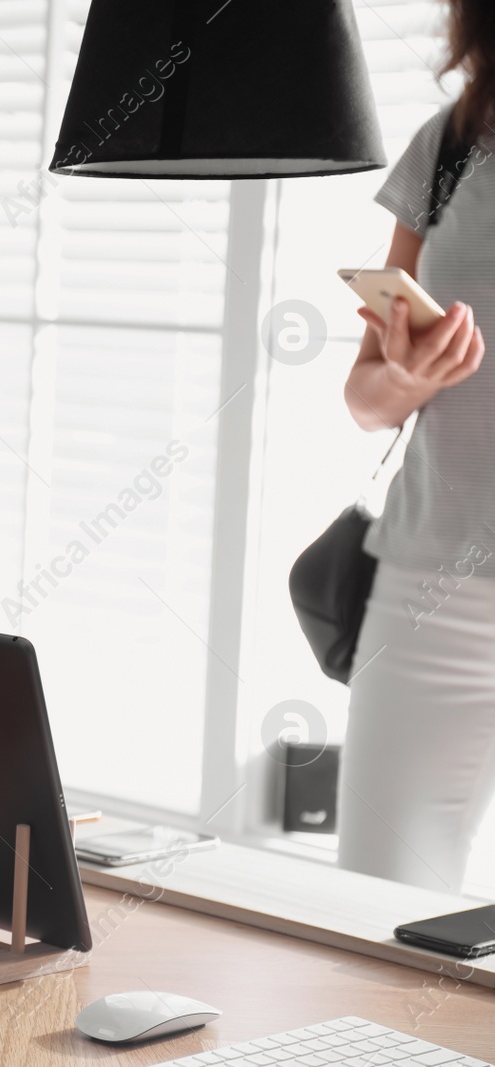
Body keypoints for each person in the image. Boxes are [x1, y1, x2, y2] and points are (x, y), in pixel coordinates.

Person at [340, 0, 495, 895]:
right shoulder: (453, 143)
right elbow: (367, 400)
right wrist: (410, 373)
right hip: (432, 597)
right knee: (374, 911)